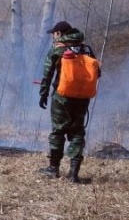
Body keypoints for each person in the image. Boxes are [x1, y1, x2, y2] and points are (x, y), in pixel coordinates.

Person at [38, 21, 97, 182]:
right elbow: (97, 73)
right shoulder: (86, 49)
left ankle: (53, 168)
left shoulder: (58, 49)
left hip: (62, 97)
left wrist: (43, 94)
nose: (53, 36)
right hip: (82, 98)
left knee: (58, 131)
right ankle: (73, 174)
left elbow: (47, 73)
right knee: (77, 132)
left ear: (59, 33)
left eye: (54, 33)